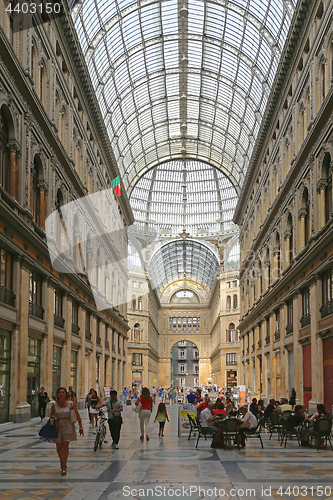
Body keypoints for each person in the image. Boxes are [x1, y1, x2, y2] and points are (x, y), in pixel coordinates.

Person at [51, 387, 83, 475]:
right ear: (57, 394)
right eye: (59, 392)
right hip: (58, 426)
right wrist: (53, 417)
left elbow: (77, 415)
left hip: (68, 426)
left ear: (66, 394)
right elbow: (51, 416)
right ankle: (62, 461)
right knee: (58, 447)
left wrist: (81, 427)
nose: (61, 394)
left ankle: (64, 465)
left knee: (65, 446)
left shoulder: (71, 404)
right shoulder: (54, 405)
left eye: (63, 392)